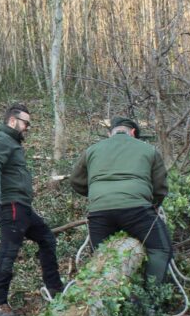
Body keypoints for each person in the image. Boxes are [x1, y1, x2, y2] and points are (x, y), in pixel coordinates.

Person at [69, 117, 172, 287]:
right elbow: (160, 187)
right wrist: (153, 203)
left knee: (102, 258)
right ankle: (152, 296)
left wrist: (97, 195)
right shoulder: (148, 149)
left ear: (111, 133)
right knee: (160, 248)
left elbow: (75, 180)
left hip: (99, 213)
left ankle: (104, 299)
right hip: (137, 210)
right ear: (133, 133)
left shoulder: (92, 150)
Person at [0, 104, 65, 316]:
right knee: (8, 252)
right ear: (12, 121)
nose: (28, 127)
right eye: (25, 123)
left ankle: (54, 288)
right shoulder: (1, 140)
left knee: (47, 238)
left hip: (23, 207)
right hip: (11, 206)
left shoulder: (12, 142)